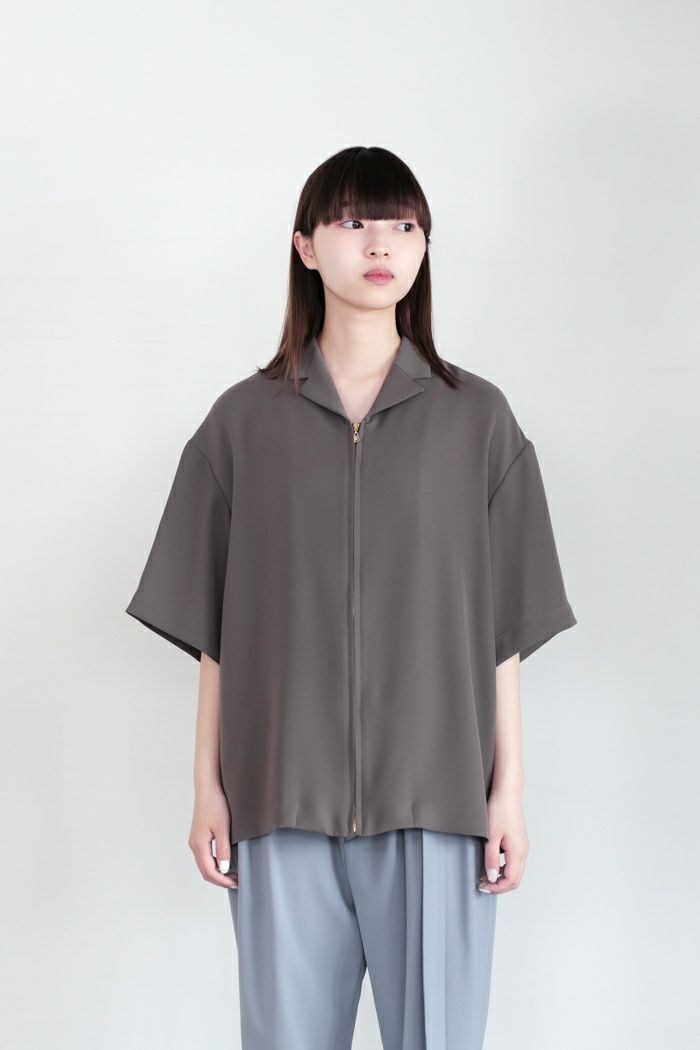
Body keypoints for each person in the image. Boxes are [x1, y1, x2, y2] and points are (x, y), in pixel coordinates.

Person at [126, 145, 577, 1049]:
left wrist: (509, 793)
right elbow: (216, 632)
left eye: (404, 225)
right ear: (305, 246)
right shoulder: (242, 423)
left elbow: (502, 632)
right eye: (354, 222)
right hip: (280, 798)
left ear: (424, 248)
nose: (382, 245)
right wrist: (207, 787)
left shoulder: (478, 420)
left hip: (437, 798)